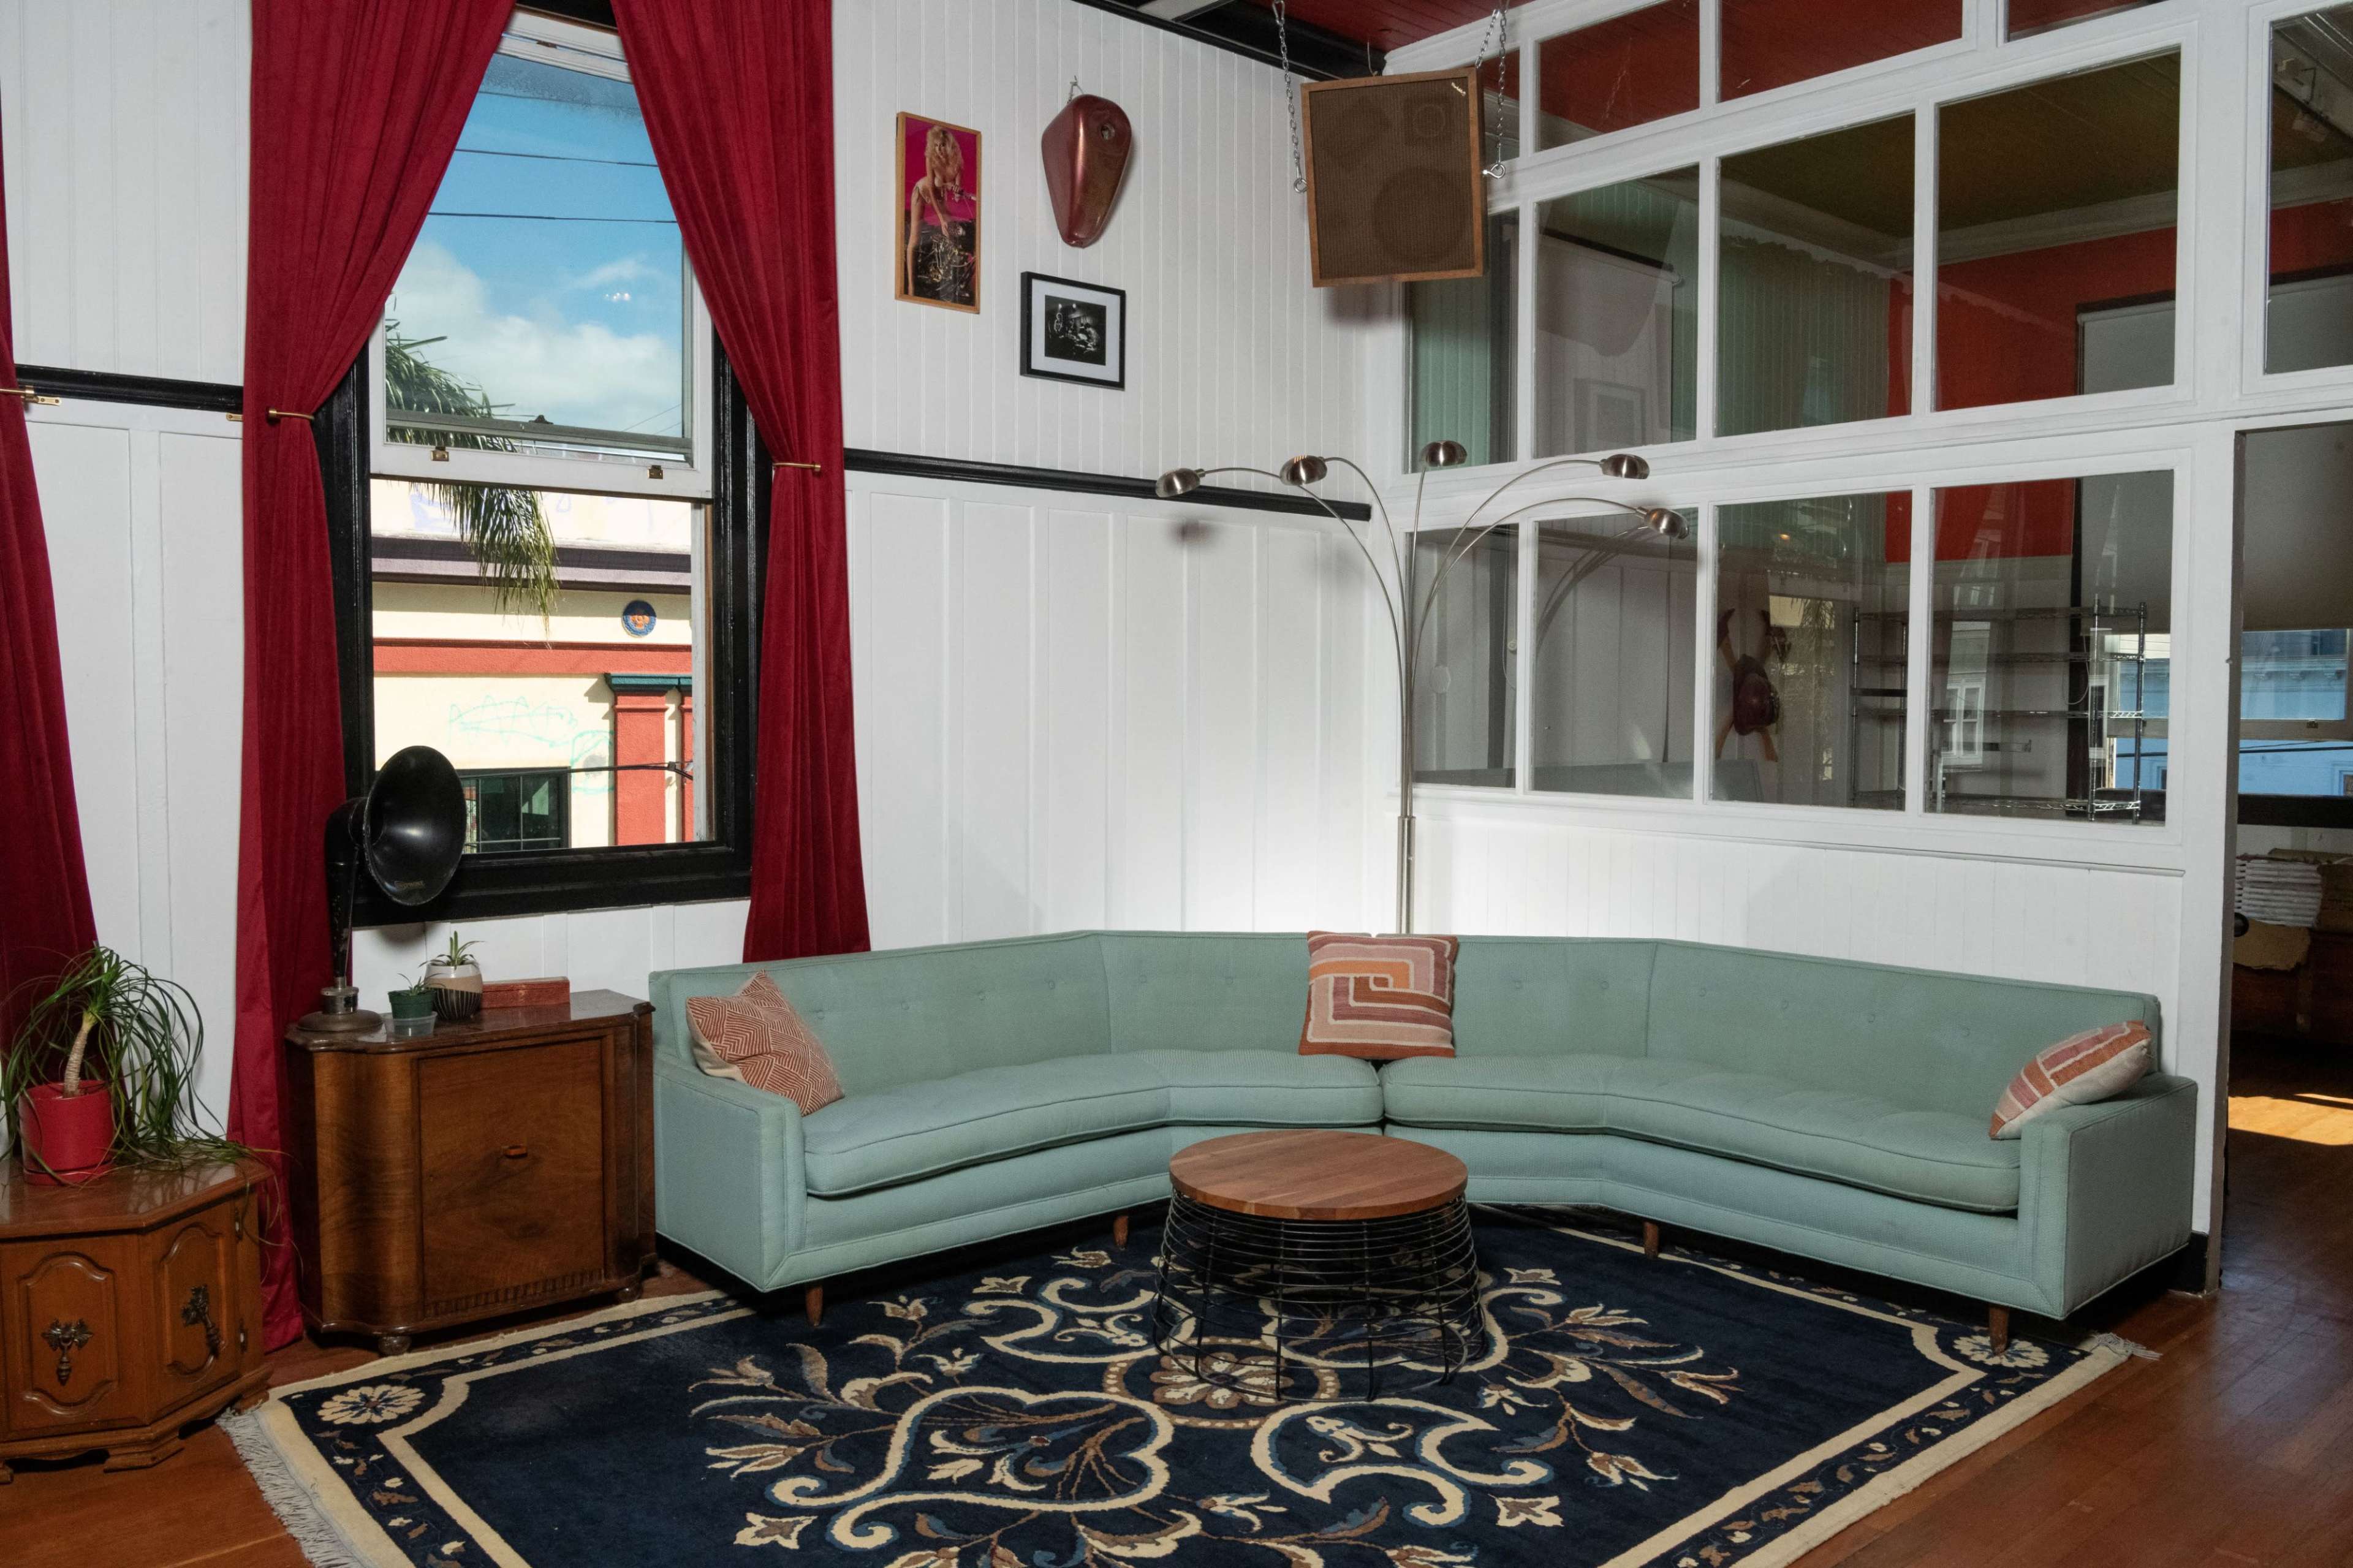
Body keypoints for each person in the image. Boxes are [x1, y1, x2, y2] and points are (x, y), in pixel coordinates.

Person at [903, 123, 975, 306]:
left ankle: (949, 284)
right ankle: (911, 289)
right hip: (923, 192)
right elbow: (933, 196)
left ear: (949, 144)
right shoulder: (931, 160)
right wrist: (942, 219)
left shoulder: (958, 163)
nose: (939, 150)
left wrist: (959, 191)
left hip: (940, 195)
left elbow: (957, 198)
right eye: (935, 146)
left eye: (942, 145)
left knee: (955, 235)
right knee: (914, 240)